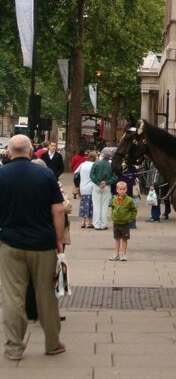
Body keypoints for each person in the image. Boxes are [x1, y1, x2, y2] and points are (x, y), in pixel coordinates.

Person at [0, 134, 65, 360]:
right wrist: (58, 240)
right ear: (30, 152)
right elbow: (58, 210)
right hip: (42, 243)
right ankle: (52, 343)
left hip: (9, 242)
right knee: (46, 295)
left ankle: (14, 348)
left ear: (8, 152)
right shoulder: (45, 174)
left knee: (12, 297)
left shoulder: (1, 175)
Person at [109, 181, 137, 261]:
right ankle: (116, 254)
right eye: (120, 189)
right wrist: (113, 216)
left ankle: (123, 254)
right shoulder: (114, 199)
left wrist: (130, 218)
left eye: (124, 189)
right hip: (116, 222)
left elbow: (134, 210)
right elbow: (113, 208)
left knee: (124, 239)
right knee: (117, 239)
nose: (122, 191)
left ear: (126, 190)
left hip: (125, 223)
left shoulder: (129, 200)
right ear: (117, 190)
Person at [90, 148, 116, 230]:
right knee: (104, 206)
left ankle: (97, 224)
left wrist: (98, 183)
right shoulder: (111, 165)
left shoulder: (96, 164)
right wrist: (107, 182)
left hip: (97, 186)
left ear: (102, 154)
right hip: (106, 186)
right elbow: (115, 177)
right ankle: (103, 224)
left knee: (96, 205)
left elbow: (91, 175)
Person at [77, 151, 98, 228]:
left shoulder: (82, 164)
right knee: (91, 206)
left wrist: (77, 186)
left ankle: (83, 222)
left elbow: (76, 174)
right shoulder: (94, 165)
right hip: (92, 187)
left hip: (83, 188)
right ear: (94, 158)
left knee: (83, 205)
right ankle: (89, 222)